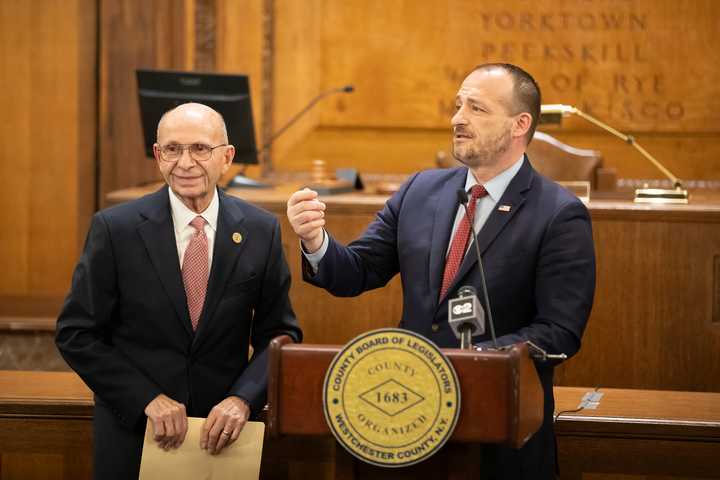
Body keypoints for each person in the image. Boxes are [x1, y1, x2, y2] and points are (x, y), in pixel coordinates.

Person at [286, 63, 595, 479]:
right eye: (457, 105)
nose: (458, 119)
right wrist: (315, 241)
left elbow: (559, 332)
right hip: (406, 423)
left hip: (499, 434)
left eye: (477, 109)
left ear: (520, 124)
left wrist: (470, 362)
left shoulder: (558, 214)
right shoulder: (420, 190)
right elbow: (357, 271)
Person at [57, 102, 302, 479]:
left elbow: (280, 333)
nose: (185, 162)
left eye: (200, 149)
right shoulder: (115, 229)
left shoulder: (260, 230)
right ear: (157, 155)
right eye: (172, 149)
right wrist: (146, 399)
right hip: (135, 435)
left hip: (222, 441)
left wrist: (243, 399)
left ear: (227, 157)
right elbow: (77, 333)